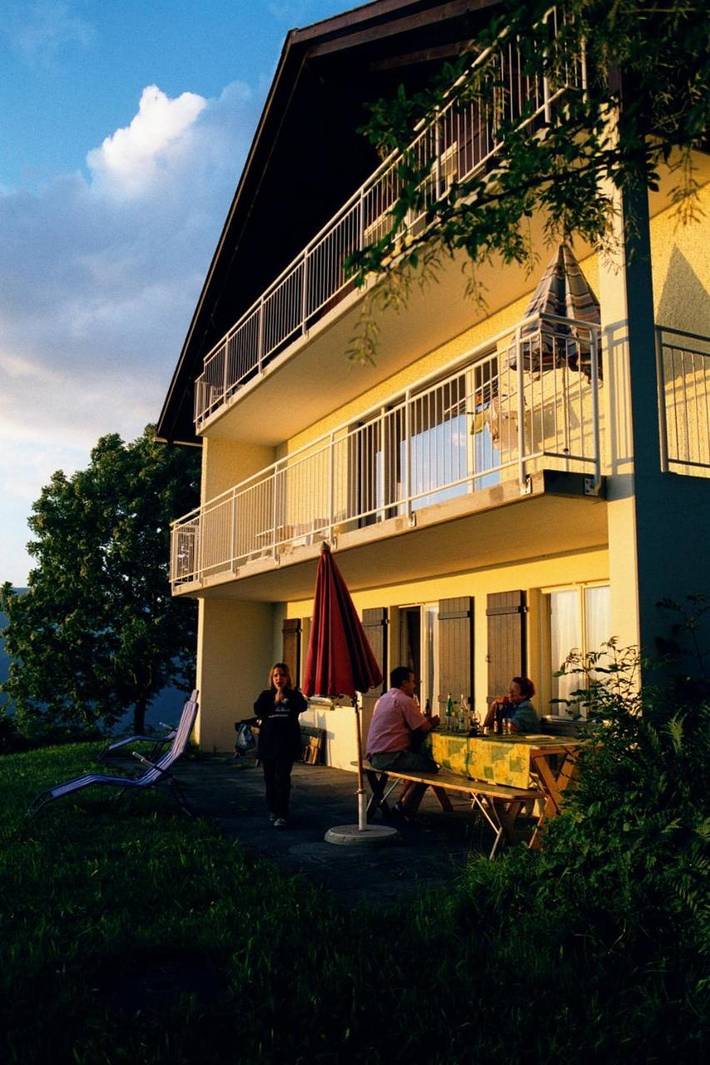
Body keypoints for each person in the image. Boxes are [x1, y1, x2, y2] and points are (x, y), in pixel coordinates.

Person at [366, 665, 440, 819]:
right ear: (404, 683)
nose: (415, 685)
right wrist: (434, 721)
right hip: (390, 756)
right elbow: (423, 727)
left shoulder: (383, 699)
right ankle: (406, 809)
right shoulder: (404, 700)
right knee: (430, 768)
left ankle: (402, 803)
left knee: (416, 762)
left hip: (374, 755)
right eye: (412, 682)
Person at [253, 662, 308, 828]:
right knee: (269, 778)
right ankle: (273, 809)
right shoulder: (265, 695)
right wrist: (275, 702)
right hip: (268, 743)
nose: (279, 678)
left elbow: (303, 706)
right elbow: (258, 710)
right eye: (276, 675)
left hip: (287, 743)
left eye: (282, 675)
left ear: (287, 678)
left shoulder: (294, 695)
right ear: (272, 678)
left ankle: (282, 813)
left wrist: (287, 698)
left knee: (283, 778)